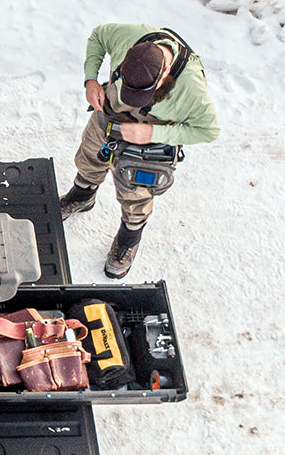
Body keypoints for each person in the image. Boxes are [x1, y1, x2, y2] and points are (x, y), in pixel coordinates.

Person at [61, 23, 220, 278]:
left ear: (165, 72)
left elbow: (208, 130)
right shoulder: (128, 37)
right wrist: (91, 79)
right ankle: (82, 196)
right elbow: (98, 36)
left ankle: (129, 237)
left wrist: (153, 134)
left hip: (150, 137)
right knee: (90, 155)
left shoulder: (191, 88)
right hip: (109, 113)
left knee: (135, 191)